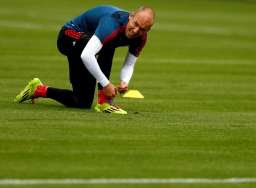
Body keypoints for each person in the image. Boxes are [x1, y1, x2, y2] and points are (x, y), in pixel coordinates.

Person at [14, 5, 155, 115]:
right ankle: (104, 102)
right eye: (135, 24)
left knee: (81, 101)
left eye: (142, 29)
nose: (136, 31)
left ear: (148, 30)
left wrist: (124, 82)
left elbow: (129, 64)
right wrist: (106, 85)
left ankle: (38, 89)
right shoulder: (112, 23)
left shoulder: (141, 38)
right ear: (131, 16)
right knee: (107, 44)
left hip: (88, 43)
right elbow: (87, 55)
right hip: (68, 36)